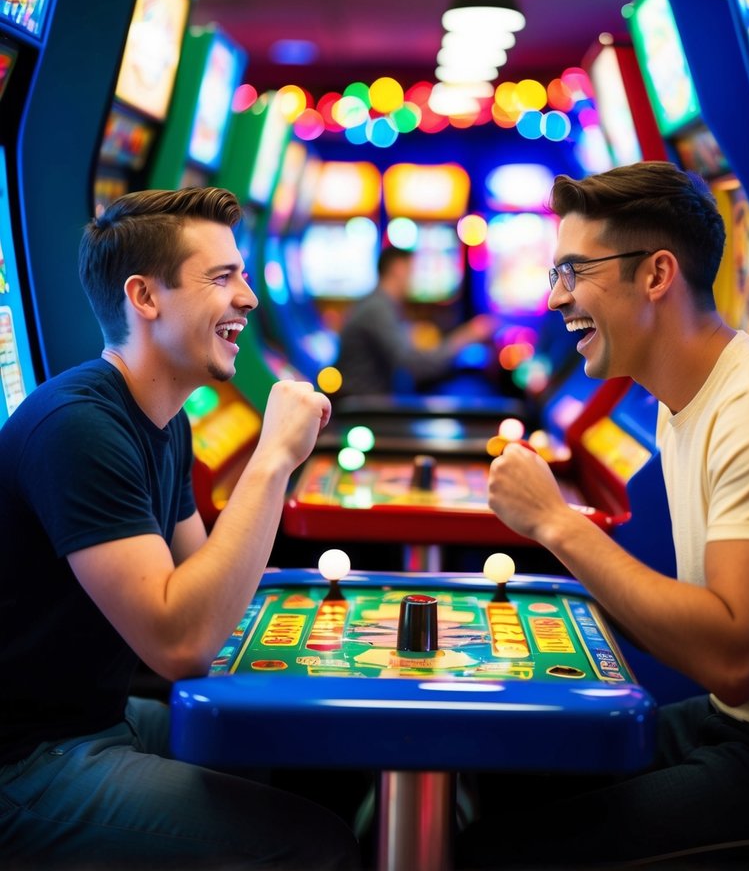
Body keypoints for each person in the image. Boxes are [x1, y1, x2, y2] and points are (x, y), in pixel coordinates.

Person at [461, 161, 749, 868]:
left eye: (573, 270)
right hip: (737, 721)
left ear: (655, 275)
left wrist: (555, 523)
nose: (555, 299)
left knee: (505, 851)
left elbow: (734, 657)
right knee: (493, 771)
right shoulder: (677, 396)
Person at [0, 187, 358, 870]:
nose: (249, 299)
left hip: (97, 720)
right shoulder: (77, 427)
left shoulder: (168, 419)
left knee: (304, 755)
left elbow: (209, 588)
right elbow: (183, 642)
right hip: (24, 761)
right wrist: (273, 459)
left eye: (244, 276)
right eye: (222, 278)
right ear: (144, 297)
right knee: (314, 847)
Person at [334, 244, 495, 398]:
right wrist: (465, 336)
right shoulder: (377, 308)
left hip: (373, 402)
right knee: (470, 391)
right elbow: (412, 365)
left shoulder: (380, 303)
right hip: (365, 408)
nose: (415, 278)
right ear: (398, 268)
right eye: (412, 270)